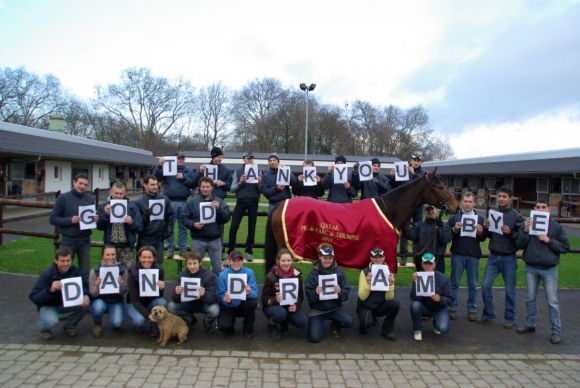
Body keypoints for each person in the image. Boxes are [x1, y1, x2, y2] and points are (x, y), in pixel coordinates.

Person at [515, 201, 569, 344]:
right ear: (534, 209)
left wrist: (548, 240)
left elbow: (564, 247)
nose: (540, 209)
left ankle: (556, 331)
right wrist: (525, 231)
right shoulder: (528, 224)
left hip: (549, 269)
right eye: (537, 207)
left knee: (552, 301)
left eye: (543, 207)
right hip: (531, 267)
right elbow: (519, 245)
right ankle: (530, 323)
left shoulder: (556, 227)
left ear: (549, 209)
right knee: (530, 298)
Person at [481, 186, 523, 329]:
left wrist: (511, 232)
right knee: (486, 285)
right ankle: (489, 312)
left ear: (510, 198)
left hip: (509, 258)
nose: (501, 199)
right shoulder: (493, 213)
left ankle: (510, 318)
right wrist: (485, 227)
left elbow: (521, 240)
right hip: (493, 256)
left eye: (504, 197)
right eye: (499, 196)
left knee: (510, 290)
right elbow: (488, 235)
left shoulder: (516, 216)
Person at [29, 248, 90, 339]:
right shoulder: (47, 274)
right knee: (52, 320)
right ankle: (44, 328)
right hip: (49, 305)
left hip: (66, 304)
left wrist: (86, 295)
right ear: (56, 261)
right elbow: (33, 297)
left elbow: (84, 285)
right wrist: (50, 290)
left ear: (71, 260)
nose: (65, 264)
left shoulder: (75, 271)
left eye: (68, 261)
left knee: (85, 303)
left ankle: (69, 325)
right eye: (62, 261)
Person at [49, 173, 98, 278]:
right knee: (63, 268)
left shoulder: (90, 199)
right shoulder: (63, 198)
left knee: (85, 270)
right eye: (80, 183)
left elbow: (91, 218)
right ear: (74, 182)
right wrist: (69, 220)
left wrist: (95, 219)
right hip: (68, 240)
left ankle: (84, 292)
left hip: (84, 240)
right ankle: (61, 292)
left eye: (85, 185)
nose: (82, 186)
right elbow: (53, 219)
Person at [447, 192, 486, 321]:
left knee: (473, 285)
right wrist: (454, 230)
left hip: (473, 256)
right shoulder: (455, 218)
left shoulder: (480, 219)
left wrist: (481, 232)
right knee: (454, 283)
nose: (468, 204)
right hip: (458, 254)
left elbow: (483, 238)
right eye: (465, 201)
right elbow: (446, 236)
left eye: (470, 201)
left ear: (474, 203)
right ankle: (452, 307)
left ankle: (472, 308)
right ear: (461, 202)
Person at [304, 243, 352, 343]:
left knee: (348, 322)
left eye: (330, 258)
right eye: (325, 257)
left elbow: (346, 293)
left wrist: (339, 292)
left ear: (333, 257)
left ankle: (335, 323)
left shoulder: (339, 272)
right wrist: (316, 293)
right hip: (318, 310)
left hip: (335, 308)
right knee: (314, 338)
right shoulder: (313, 274)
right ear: (320, 257)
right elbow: (308, 295)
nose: (327, 260)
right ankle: (315, 324)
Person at [184, 177, 232, 274]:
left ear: (212, 188)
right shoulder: (193, 202)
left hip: (215, 240)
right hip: (198, 240)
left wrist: (218, 209)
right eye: (203, 187)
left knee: (217, 268)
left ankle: (217, 288)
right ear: (199, 188)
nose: (205, 189)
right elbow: (184, 218)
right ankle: (196, 288)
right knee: (194, 268)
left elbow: (226, 218)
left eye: (207, 187)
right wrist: (193, 224)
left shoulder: (219, 201)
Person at [154, 152, 195, 259]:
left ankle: (182, 249)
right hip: (169, 201)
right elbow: (155, 177)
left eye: (182, 158)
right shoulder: (168, 168)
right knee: (169, 226)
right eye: (179, 158)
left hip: (184, 202)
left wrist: (184, 177)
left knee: (183, 227)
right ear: (175, 159)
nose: (181, 160)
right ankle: (170, 249)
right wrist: (160, 165)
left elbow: (193, 183)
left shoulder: (188, 170)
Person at [97, 180, 143, 270]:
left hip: (126, 247)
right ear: (111, 192)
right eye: (116, 193)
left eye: (121, 194)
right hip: (110, 246)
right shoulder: (104, 206)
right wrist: (106, 215)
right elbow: (99, 226)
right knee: (108, 273)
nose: (118, 196)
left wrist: (131, 223)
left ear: (125, 193)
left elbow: (140, 227)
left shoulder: (132, 207)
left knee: (127, 275)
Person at [168, 252, 220, 332]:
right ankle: (190, 319)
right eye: (189, 263)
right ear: (186, 264)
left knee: (215, 310)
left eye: (195, 263)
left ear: (200, 263)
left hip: (203, 303)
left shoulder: (209, 275)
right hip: (187, 303)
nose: (192, 266)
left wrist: (204, 294)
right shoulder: (182, 275)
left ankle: (207, 322)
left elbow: (214, 298)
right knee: (171, 306)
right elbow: (175, 299)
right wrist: (176, 293)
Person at [261, 249, 307, 339]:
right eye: (283, 260)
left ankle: (284, 323)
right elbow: (264, 298)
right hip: (274, 307)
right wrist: (274, 300)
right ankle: (272, 325)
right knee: (281, 313)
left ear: (292, 261)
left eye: (289, 260)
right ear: (278, 261)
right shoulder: (271, 276)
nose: (286, 263)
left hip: (288, 306)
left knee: (302, 322)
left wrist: (296, 306)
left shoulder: (297, 275)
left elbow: (300, 296)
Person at [357, 248, 400, 340]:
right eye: (374, 257)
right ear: (371, 258)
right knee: (366, 324)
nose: (378, 260)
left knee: (395, 304)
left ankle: (387, 330)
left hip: (380, 305)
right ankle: (364, 321)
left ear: (384, 258)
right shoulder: (364, 272)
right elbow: (361, 296)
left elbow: (389, 297)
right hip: (366, 305)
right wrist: (368, 284)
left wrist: (391, 285)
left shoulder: (389, 272)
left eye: (380, 257)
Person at [410, 252, 452, 341]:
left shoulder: (443, 278)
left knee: (442, 328)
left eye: (430, 264)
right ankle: (417, 329)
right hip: (424, 306)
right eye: (425, 263)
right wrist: (415, 283)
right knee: (415, 305)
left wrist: (440, 299)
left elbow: (450, 299)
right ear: (422, 264)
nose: (427, 266)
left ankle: (436, 323)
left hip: (439, 307)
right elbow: (413, 297)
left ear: (434, 264)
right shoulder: (418, 276)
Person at [134, 175, 175, 266]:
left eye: (156, 184)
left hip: (159, 239)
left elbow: (171, 217)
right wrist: (146, 216)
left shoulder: (165, 200)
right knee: (142, 266)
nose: (155, 187)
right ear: (145, 185)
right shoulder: (139, 202)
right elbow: (137, 224)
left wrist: (168, 231)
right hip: (144, 239)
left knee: (158, 266)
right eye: (152, 184)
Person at [217, 250, 259, 339]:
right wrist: (226, 300)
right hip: (229, 306)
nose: (236, 263)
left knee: (252, 303)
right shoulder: (222, 275)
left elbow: (255, 294)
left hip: (243, 304)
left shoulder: (249, 272)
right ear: (229, 261)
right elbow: (220, 295)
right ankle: (230, 323)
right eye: (234, 261)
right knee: (224, 327)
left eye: (239, 260)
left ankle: (247, 328)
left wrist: (249, 292)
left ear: (242, 261)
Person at [228, 151, 261, 262]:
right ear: (243, 159)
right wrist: (240, 182)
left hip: (253, 201)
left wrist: (258, 183)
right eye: (247, 158)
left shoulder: (258, 170)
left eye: (251, 158)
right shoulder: (238, 171)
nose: (249, 160)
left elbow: (261, 190)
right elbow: (232, 189)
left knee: (252, 227)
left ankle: (249, 251)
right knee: (234, 226)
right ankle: (231, 251)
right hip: (241, 201)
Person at [89, 245, 128, 338]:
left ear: (116, 255)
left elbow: (124, 293)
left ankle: (113, 314)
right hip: (100, 300)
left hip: (116, 301)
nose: (110, 257)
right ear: (102, 256)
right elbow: (93, 294)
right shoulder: (94, 271)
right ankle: (97, 324)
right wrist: (97, 285)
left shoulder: (122, 270)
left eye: (113, 254)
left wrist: (120, 285)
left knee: (117, 324)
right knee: (98, 307)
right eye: (108, 254)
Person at [394, 155, 427, 266]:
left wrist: (413, 174)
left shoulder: (423, 173)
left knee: (417, 230)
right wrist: (393, 175)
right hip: (406, 205)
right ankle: (403, 256)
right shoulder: (403, 169)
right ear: (410, 161)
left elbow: (420, 185)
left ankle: (416, 255)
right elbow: (397, 185)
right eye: (414, 160)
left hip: (418, 205)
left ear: (420, 162)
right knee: (405, 231)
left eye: (418, 161)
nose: (416, 162)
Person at [126, 246, 167, 335]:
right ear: (139, 258)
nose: (147, 260)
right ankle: (138, 325)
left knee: (162, 302)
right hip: (134, 303)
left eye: (149, 257)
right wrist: (148, 316)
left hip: (150, 301)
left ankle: (154, 327)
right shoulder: (132, 272)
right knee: (139, 320)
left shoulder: (159, 270)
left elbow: (159, 296)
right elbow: (135, 301)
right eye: (144, 257)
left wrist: (161, 288)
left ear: (154, 258)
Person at [404, 205, 451, 273]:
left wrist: (441, 227)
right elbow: (411, 236)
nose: (430, 211)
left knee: (438, 282)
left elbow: (446, 239)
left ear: (436, 210)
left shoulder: (443, 225)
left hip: (437, 260)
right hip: (422, 259)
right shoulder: (419, 225)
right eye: (428, 210)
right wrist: (405, 224)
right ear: (425, 212)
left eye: (432, 209)